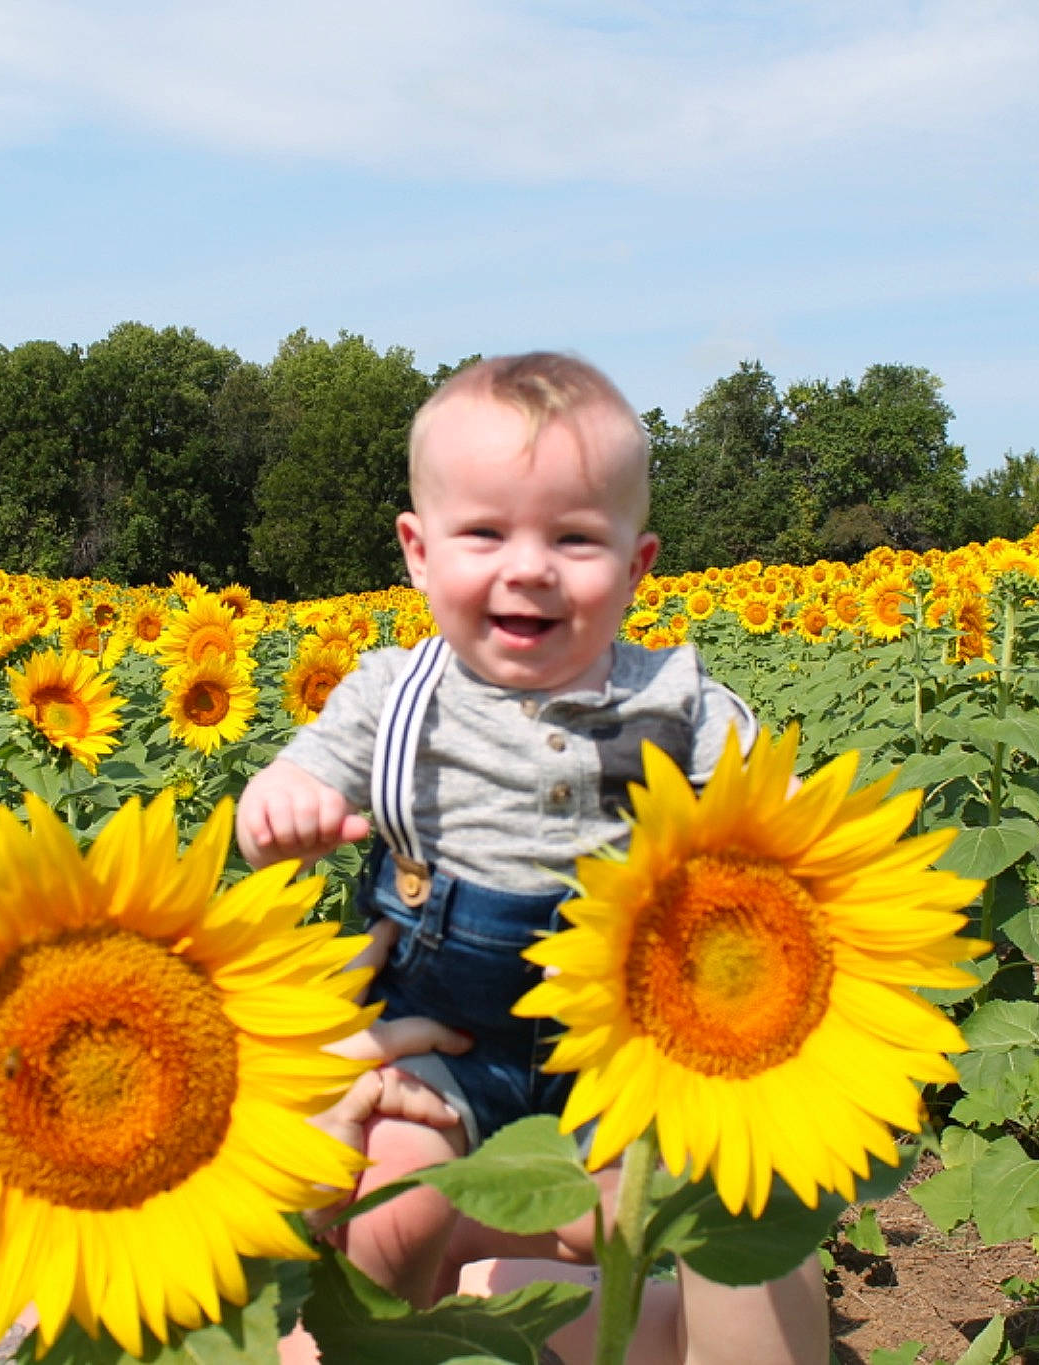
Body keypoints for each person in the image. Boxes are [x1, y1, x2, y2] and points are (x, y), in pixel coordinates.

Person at [238, 353, 826, 1362]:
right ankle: (366, 1346)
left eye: (572, 538)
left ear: (636, 567)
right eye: (484, 533)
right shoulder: (389, 694)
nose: (527, 567)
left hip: (636, 1049)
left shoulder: (681, 705)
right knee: (388, 1206)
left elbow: (783, 829)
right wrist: (280, 812)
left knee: (736, 1236)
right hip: (447, 1050)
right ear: (418, 554)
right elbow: (286, 791)